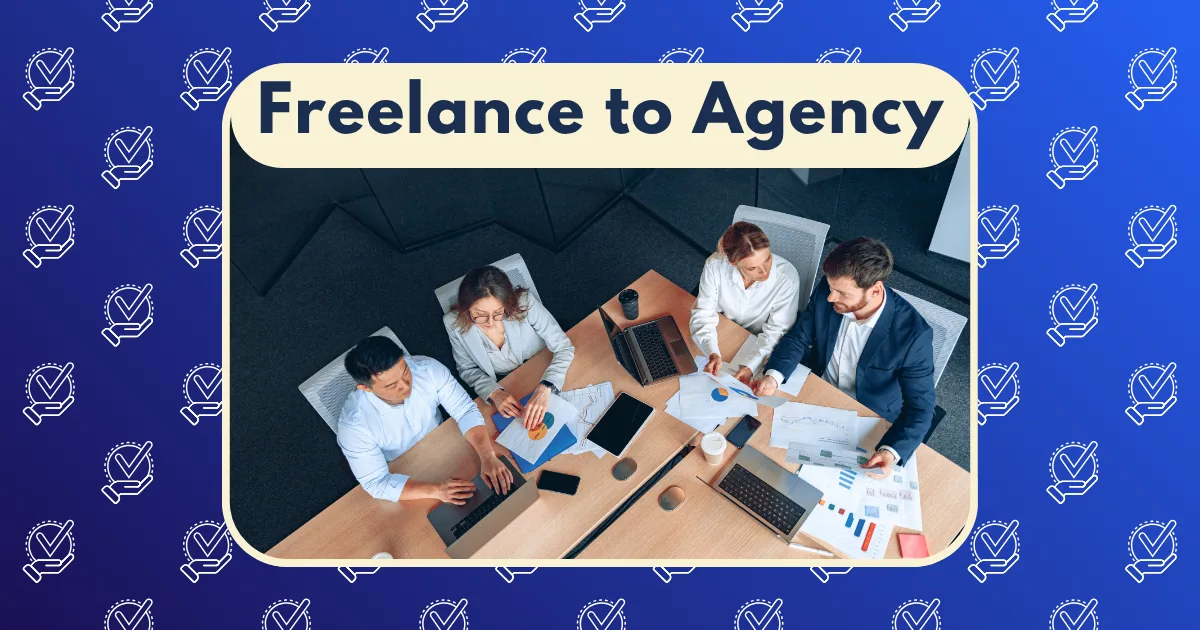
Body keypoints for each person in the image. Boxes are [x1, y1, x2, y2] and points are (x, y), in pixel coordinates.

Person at [752, 237, 935, 480]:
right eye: (830, 288)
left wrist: (890, 452)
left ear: (875, 290)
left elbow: (921, 408)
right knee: (768, 458)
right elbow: (799, 336)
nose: (830, 298)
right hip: (818, 392)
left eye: (841, 293)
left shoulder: (914, 336)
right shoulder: (831, 289)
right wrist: (773, 377)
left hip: (868, 414)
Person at [336, 336, 514, 504]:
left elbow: (465, 410)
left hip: (445, 441)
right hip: (404, 470)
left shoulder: (428, 369)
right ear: (364, 388)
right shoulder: (354, 428)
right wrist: (436, 491)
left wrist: (488, 457)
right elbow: (376, 482)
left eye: (405, 372)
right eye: (391, 385)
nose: (405, 386)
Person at [444, 266, 574, 429]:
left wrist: (546, 386)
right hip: (507, 385)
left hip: (546, 368)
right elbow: (467, 369)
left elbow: (564, 347)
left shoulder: (524, 303)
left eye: (498, 313)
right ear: (466, 307)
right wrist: (494, 393)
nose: (491, 323)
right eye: (481, 315)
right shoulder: (453, 323)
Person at [690, 221, 800, 383]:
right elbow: (703, 312)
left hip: (758, 341)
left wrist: (749, 366)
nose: (765, 271)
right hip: (724, 331)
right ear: (733, 264)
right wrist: (711, 352)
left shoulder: (787, 279)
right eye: (752, 268)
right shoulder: (715, 265)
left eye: (767, 258)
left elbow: (776, 332)